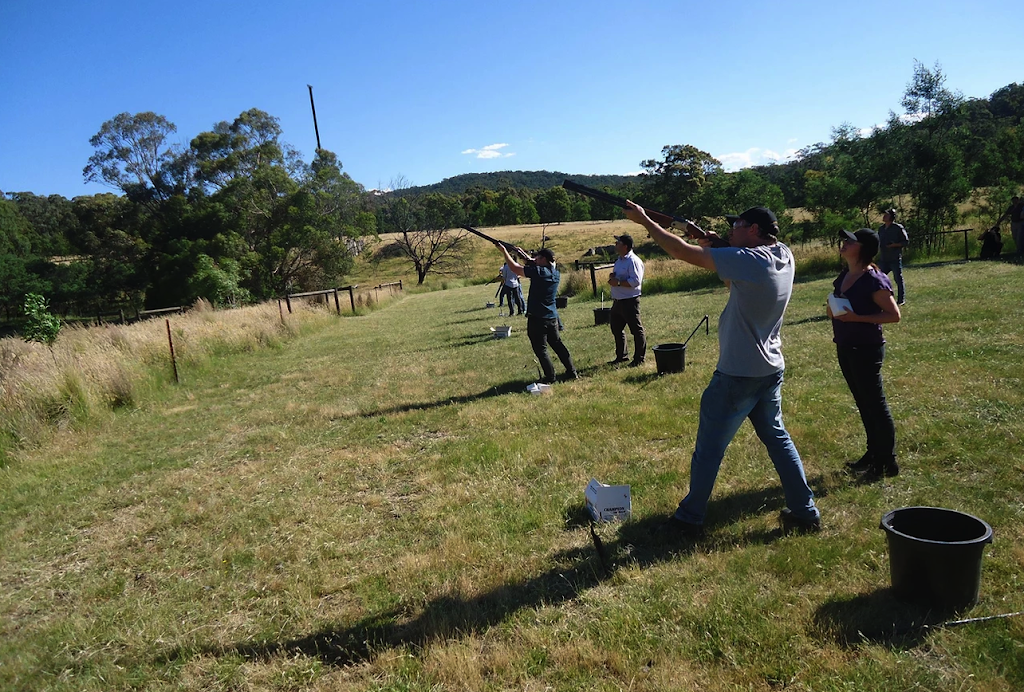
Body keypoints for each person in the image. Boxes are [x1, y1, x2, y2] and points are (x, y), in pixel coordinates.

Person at [624, 202, 821, 536]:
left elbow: (679, 251)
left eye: (738, 224)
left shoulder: (749, 260)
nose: (731, 229)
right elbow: (736, 281)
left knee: (708, 450)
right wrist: (716, 243)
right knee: (778, 439)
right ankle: (805, 510)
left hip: (738, 373)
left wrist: (644, 220)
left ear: (755, 230)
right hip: (769, 368)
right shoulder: (783, 254)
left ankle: (689, 519)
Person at [828, 229, 902, 482]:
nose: (844, 244)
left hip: (866, 349)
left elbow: (893, 315)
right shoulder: (846, 274)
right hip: (846, 345)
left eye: (850, 241)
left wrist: (857, 318)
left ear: (863, 248)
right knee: (863, 402)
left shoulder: (874, 279)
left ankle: (887, 461)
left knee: (875, 405)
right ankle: (873, 454)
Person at [496, 243, 578, 383]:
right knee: (557, 344)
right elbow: (533, 264)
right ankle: (572, 371)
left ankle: (550, 377)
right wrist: (521, 253)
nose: (535, 259)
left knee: (541, 349)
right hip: (551, 317)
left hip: (538, 318)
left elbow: (516, 269)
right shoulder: (555, 273)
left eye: (538, 258)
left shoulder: (539, 272)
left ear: (544, 259)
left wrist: (504, 252)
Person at [607, 233, 646, 367]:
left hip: (630, 300)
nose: (616, 245)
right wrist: (613, 277)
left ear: (625, 246)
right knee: (616, 328)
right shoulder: (619, 261)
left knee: (636, 330)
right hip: (618, 300)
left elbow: (635, 281)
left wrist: (617, 283)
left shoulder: (633, 261)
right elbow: (620, 277)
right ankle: (621, 356)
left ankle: (639, 358)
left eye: (618, 243)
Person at [877, 208, 909, 305]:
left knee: (898, 279)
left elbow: (905, 241)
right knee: (878, 279)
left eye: (886, 215)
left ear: (891, 217)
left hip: (894, 258)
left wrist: (894, 245)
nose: (884, 216)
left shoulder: (898, 228)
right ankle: (880, 300)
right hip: (883, 259)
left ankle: (901, 300)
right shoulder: (881, 229)